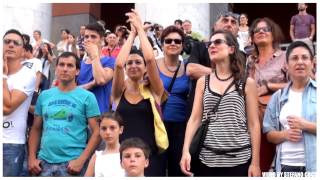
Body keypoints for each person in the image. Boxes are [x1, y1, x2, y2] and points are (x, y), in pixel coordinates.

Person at [180, 30, 260, 177]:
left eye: (217, 42)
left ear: (231, 49)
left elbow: (254, 124)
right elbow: (195, 119)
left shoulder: (247, 83)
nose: (211, 46)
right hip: (206, 160)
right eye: (209, 43)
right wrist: (186, 151)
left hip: (240, 160)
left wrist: (255, 163)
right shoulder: (202, 82)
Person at [112, 9, 167, 176]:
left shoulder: (154, 90)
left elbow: (150, 59)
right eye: (131, 63)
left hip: (151, 158)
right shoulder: (118, 92)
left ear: (145, 69)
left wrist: (141, 31)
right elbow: (119, 65)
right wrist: (132, 35)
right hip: (123, 157)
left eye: (138, 62)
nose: (133, 65)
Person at [28, 52, 101, 176]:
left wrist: (81, 160)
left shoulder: (88, 97)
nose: (65, 69)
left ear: (77, 71)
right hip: (43, 164)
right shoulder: (44, 96)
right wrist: (31, 158)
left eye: (70, 66)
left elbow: (97, 132)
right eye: (61, 65)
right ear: (56, 69)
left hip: (72, 165)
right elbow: (36, 129)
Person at [263, 41, 316, 175]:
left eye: (304, 57)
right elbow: (269, 133)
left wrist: (306, 125)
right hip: (286, 167)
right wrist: (284, 134)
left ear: (312, 62)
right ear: (286, 65)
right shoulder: (278, 97)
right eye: (294, 58)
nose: (300, 62)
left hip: (315, 166)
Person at [247, 17, 288, 173]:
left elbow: (299, 84)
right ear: (252, 37)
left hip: (277, 121)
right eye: (257, 30)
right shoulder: (249, 61)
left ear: (273, 34)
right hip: (253, 123)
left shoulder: (285, 57)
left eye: (265, 29)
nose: (261, 32)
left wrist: (269, 86)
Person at [186, 11, 241, 119]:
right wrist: (226, 74)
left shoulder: (242, 55)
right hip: (200, 116)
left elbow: (243, 78)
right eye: (225, 20)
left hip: (231, 119)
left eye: (233, 22)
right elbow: (191, 69)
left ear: (237, 30)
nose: (229, 24)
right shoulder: (200, 47)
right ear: (215, 25)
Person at [156, 25, 189, 176]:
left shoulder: (188, 67)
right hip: (157, 125)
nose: (173, 43)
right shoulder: (152, 65)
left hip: (181, 126)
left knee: (178, 170)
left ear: (182, 45)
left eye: (177, 41)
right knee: (157, 169)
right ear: (162, 44)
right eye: (168, 40)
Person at [3, 29, 36, 176]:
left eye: (15, 43)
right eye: (6, 42)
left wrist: (3, 75)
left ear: (23, 51)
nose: (10, 45)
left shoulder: (27, 75)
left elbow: (7, 107)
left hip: (11, 144)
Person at [77, 23, 115, 114]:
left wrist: (94, 56)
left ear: (102, 40)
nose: (89, 40)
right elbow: (72, 90)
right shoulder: (79, 63)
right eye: (86, 37)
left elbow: (100, 80)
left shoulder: (110, 61)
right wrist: (92, 84)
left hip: (99, 115)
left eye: (93, 37)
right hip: (79, 114)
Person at [84, 112, 125, 177]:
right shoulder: (96, 157)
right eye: (104, 128)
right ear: (99, 131)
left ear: (121, 129)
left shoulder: (128, 154)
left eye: (112, 128)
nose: (108, 132)